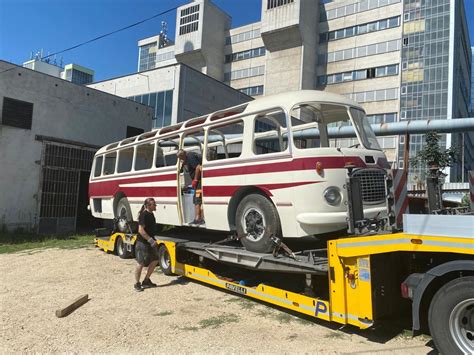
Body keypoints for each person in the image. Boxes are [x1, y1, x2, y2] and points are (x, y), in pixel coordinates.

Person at [134, 197, 159, 292]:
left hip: (150, 242)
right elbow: (141, 230)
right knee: (140, 263)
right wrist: (150, 240)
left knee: (156, 259)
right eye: (154, 204)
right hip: (142, 243)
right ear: (149, 205)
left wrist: (152, 240)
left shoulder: (151, 214)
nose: (156, 205)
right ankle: (137, 283)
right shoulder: (144, 215)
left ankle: (146, 280)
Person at [177, 149, 204, 225]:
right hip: (197, 182)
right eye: (180, 158)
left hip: (199, 182)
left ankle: (198, 219)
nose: (181, 159)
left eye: (181, 157)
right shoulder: (186, 158)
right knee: (196, 199)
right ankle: (198, 217)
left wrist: (195, 180)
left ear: (185, 153)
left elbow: (198, 167)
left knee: (197, 199)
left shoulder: (190, 157)